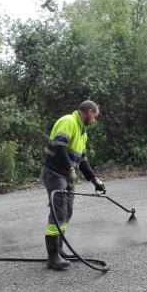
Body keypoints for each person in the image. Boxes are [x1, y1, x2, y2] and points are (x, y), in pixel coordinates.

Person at [42, 100, 106, 270]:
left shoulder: (82, 132)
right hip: (55, 173)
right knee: (59, 212)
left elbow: (83, 160)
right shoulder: (68, 121)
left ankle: (60, 250)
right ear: (89, 112)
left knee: (67, 212)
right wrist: (69, 167)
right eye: (95, 116)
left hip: (67, 176)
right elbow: (59, 145)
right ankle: (52, 257)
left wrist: (95, 180)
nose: (94, 120)